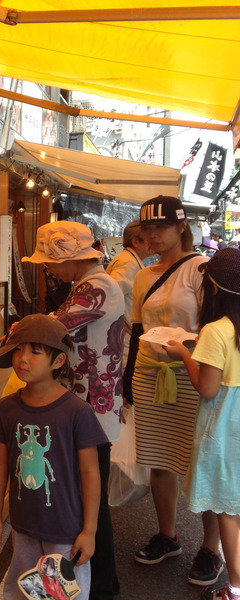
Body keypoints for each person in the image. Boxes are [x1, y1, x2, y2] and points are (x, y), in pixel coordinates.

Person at [23, 220, 125, 600]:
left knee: (89, 502)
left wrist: (18, 333)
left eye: (49, 261)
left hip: (91, 410)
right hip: (90, 405)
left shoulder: (96, 287)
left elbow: (52, 330)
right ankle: (102, 584)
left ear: (70, 258)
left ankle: (100, 588)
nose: (47, 269)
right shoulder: (88, 284)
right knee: (88, 498)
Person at [123, 195, 221, 586]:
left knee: (200, 462)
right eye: (146, 228)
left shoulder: (202, 270)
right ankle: (168, 536)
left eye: (160, 227)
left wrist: (186, 345)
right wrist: (127, 382)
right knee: (158, 460)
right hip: (149, 374)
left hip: (192, 372)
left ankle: (211, 548)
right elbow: (134, 330)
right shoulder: (145, 274)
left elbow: (215, 330)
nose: (152, 235)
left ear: (181, 226)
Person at [0, 314, 107, 600]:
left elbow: (91, 472)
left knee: (63, 593)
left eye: (34, 351)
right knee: (23, 590)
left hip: (66, 528)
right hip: (23, 523)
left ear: (58, 361)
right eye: (17, 349)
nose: (22, 358)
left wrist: (89, 529)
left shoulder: (77, 412)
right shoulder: (6, 409)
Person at [164, 248, 240, 600]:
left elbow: (207, 389)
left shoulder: (217, 331)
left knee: (227, 511)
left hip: (226, 433)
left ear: (213, 289)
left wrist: (184, 354)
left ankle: (235, 588)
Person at [106, 220, 155, 360]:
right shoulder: (127, 262)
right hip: (124, 337)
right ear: (136, 241)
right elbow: (111, 296)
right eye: (148, 238)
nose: (154, 241)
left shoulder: (130, 260)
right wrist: (122, 324)